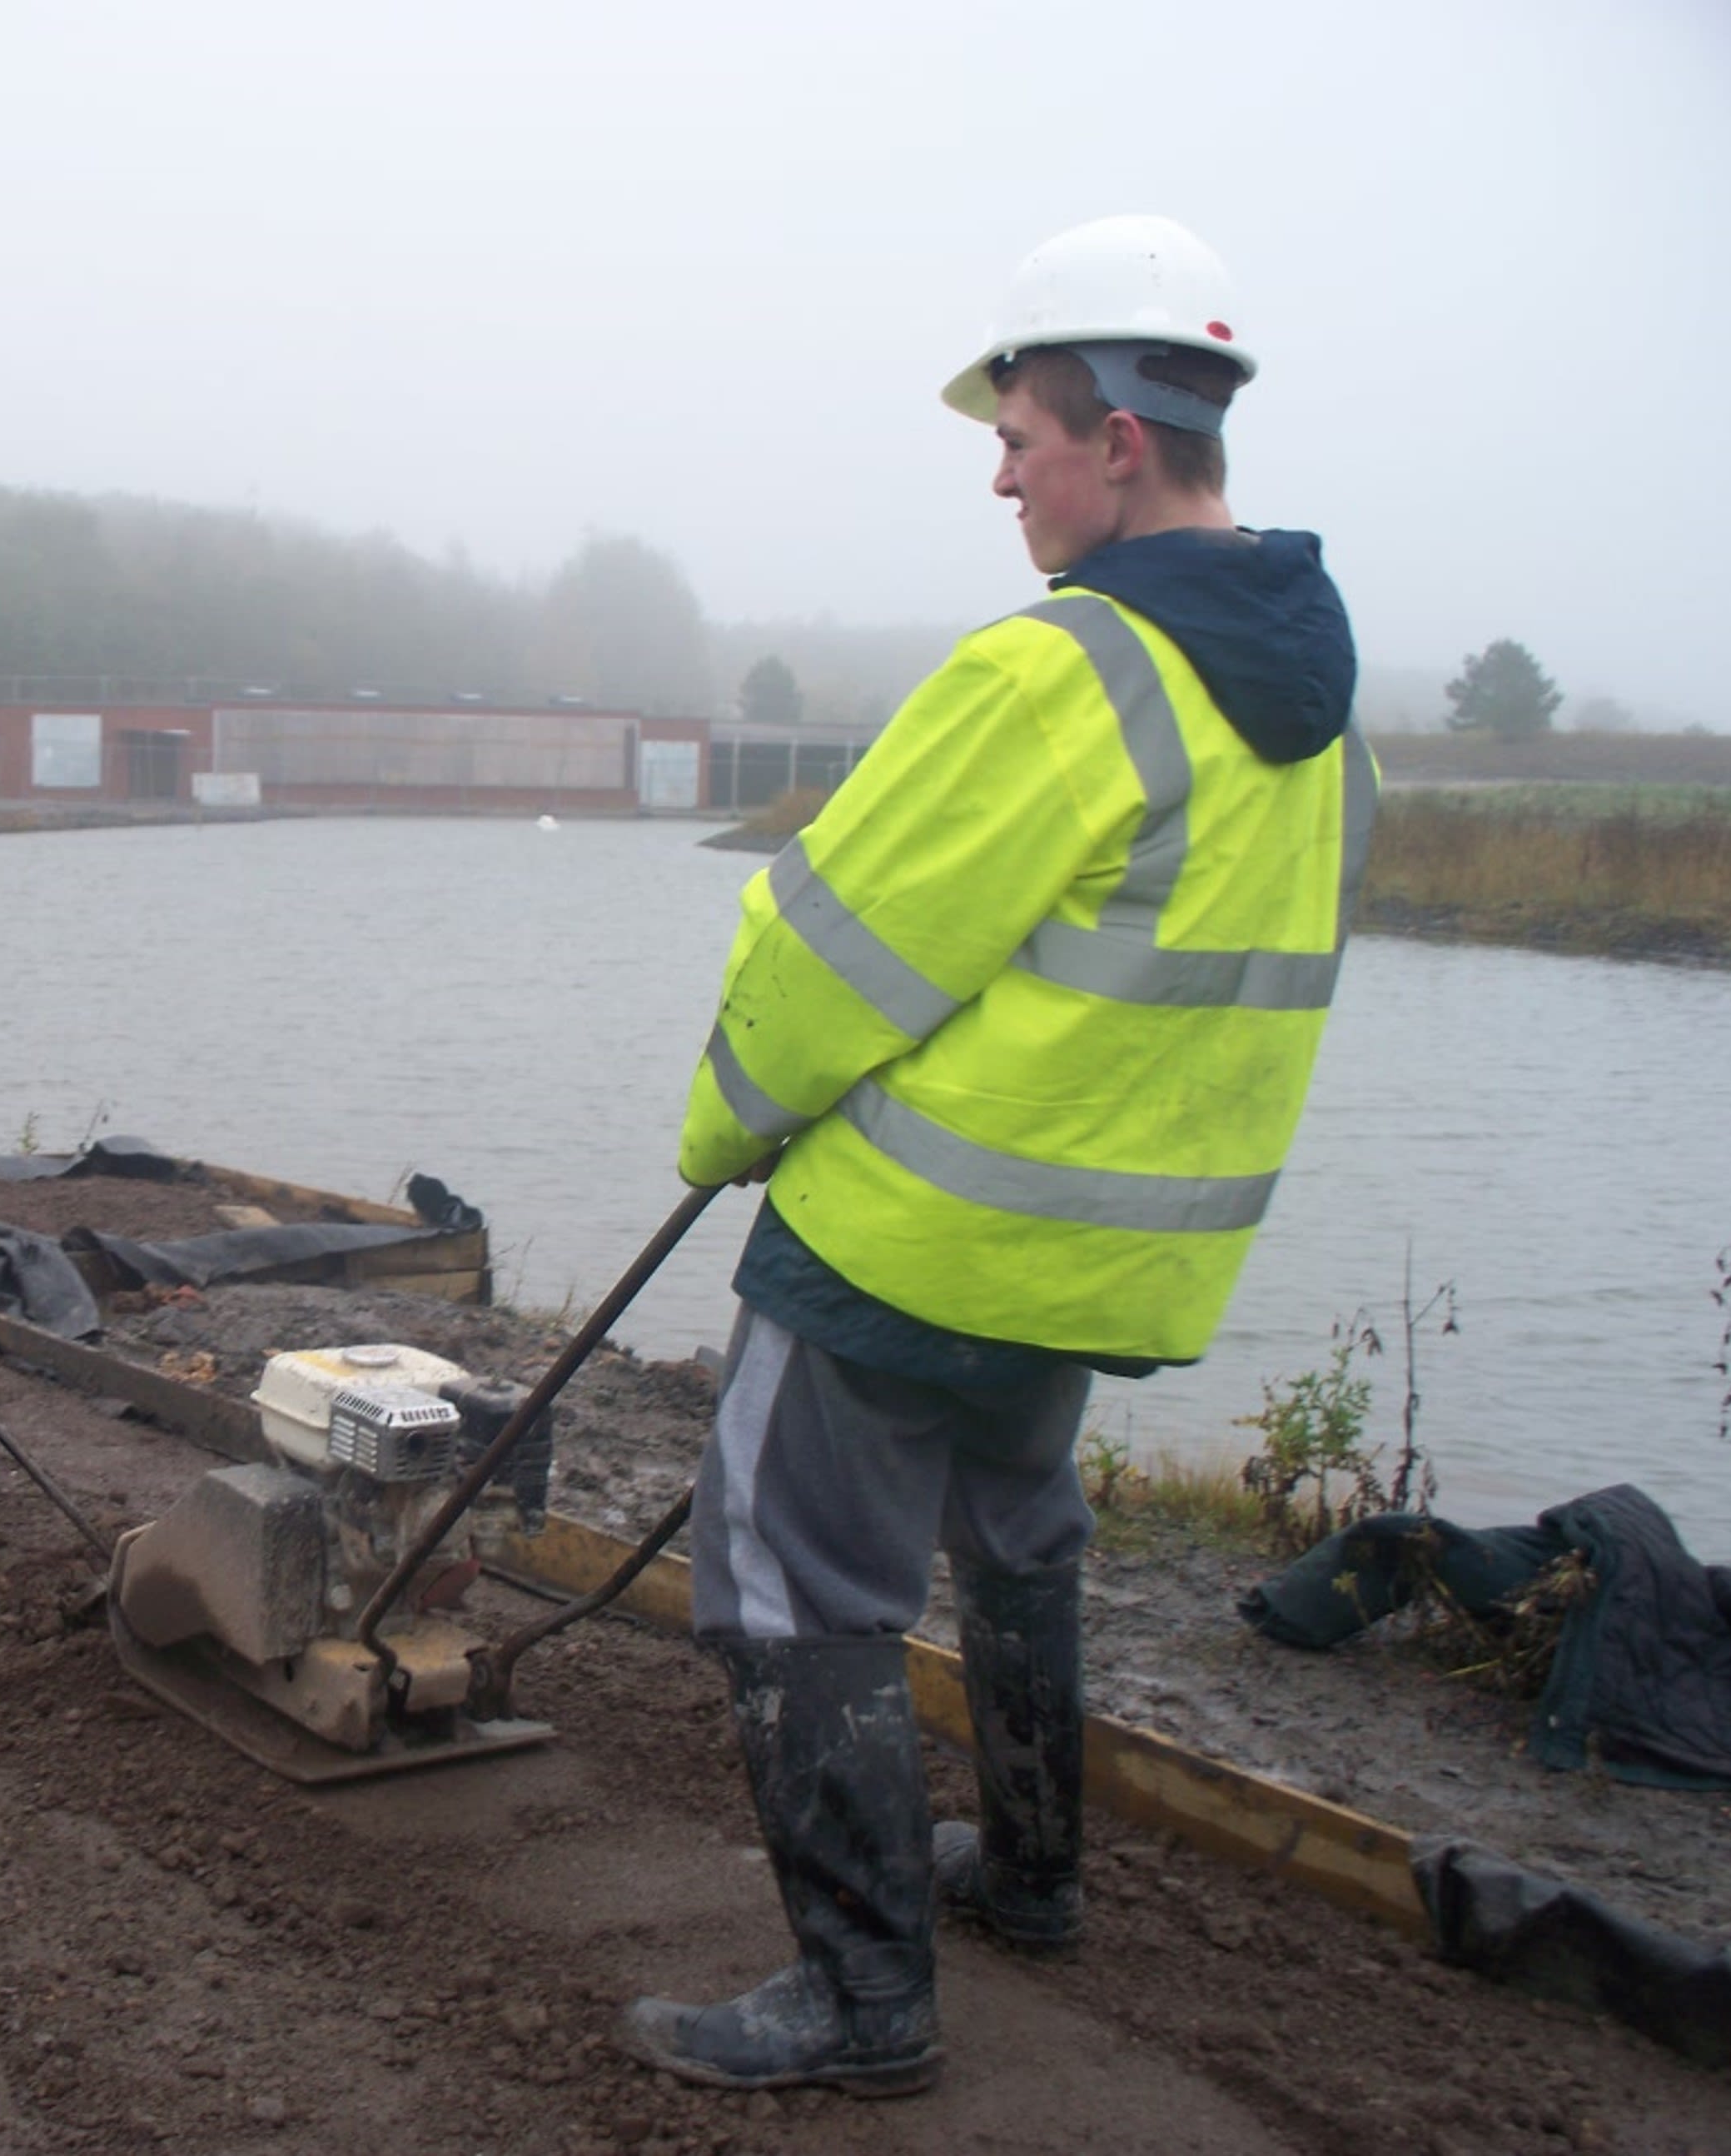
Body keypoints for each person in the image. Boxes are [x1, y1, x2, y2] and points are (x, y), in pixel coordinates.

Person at [620, 216, 1373, 2095]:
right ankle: (1029, 1873)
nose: (1000, 469)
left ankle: (864, 1999)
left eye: (1022, 429)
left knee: (790, 1581)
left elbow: (824, 957)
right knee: (1019, 1541)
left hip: (904, 1243)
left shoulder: (1058, 672)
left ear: (1120, 433)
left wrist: (725, 1126)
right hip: (1097, 1263)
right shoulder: (1317, 722)